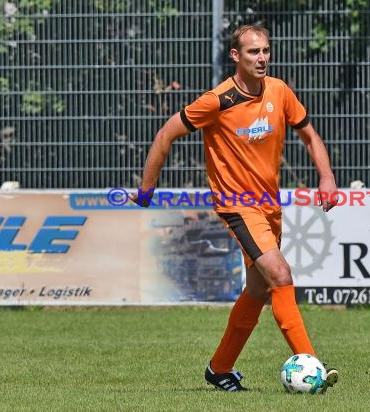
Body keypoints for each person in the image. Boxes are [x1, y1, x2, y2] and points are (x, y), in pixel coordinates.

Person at [130, 24, 339, 393]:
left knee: (258, 290)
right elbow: (166, 134)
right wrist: (147, 190)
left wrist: (326, 177)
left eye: (266, 51)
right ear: (236, 56)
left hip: (269, 207)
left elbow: (309, 134)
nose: (262, 58)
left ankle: (220, 368)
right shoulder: (217, 100)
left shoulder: (280, 91)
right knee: (281, 274)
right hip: (237, 206)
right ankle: (314, 369)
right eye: (253, 52)